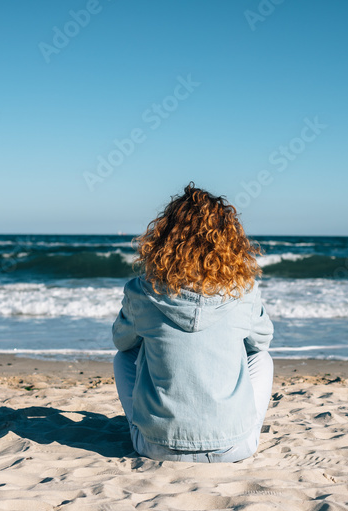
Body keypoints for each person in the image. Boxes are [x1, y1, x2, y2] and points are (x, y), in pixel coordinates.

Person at [112, 183, 274, 462]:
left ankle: (149, 424)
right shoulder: (243, 290)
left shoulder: (142, 290)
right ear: (229, 243)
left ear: (164, 239)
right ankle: (231, 423)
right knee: (262, 358)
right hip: (232, 449)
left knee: (124, 356)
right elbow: (262, 341)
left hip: (155, 447)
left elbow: (121, 341)